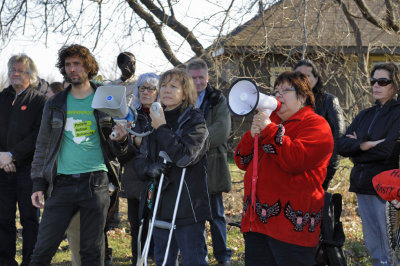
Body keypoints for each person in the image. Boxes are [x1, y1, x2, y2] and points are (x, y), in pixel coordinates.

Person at [29, 44, 128, 265]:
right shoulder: (54, 103)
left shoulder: (106, 97)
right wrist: (38, 183)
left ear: (88, 66)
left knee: (92, 253)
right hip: (61, 183)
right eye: (68, 65)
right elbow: (43, 145)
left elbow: (119, 149)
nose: (72, 69)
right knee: (42, 250)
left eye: (77, 64)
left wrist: (122, 139)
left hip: (96, 182)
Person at [234, 71, 334, 265]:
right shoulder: (272, 122)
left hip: (291, 230)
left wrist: (269, 129)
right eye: (275, 91)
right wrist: (251, 135)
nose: (277, 96)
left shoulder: (316, 124)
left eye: (284, 90)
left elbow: (295, 160)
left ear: (303, 96)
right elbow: (242, 161)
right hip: (258, 224)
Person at [133, 68, 211, 266]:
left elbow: (185, 156)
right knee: (162, 259)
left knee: (193, 259)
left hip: (187, 205)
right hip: (160, 203)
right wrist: (147, 169)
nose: (166, 90)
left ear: (185, 92)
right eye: (164, 86)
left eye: (173, 86)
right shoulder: (156, 116)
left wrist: (162, 128)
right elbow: (142, 156)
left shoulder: (195, 120)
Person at [337, 62, 400, 266]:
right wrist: (365, 145)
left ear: (395, 84)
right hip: (363, 186)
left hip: (387, 189)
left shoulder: (398, 113)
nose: (376, 85)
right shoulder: (365, 114)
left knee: (390, 247)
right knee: (374, 245)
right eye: (373, 81)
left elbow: (388, 150)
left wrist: (357, 147)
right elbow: (341, 145)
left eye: (383, 81)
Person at [0, 54, 46, 266]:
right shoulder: (1, 97)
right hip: (1, 169)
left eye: (20, 71)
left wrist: (13, 155)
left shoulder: (39, 101)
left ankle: (31, 261)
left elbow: (38, 136)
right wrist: (2, 157)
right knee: (3, 219)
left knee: (29, 220)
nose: (15, 74)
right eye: (12, 70)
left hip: (28, 171)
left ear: (31, 75)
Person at [187, 58, 232, 266]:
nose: (197, 82)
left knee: (216, 215)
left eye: (201, 78)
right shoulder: (181, 99)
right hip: (187, 168)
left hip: (212, 165)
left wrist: (195, 144)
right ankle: (199, 253)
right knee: (193, 216)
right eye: (193, 78)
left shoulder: (217, 99)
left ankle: (222, 256)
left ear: (207, 77)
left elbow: (221, 130)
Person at [117, 72, 160, 264]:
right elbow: (122, 153)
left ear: (158, 92)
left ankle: (158, 258)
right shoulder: (130, 115)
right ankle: (138, 260)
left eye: (151, 88)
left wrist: (144, 141)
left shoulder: (164, 114)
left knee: (157, 224)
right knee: (136, 225)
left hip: (159, 178)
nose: (146, 92)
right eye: (142, 88)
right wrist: (129, 140)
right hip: (135, 178)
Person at [294, 59, 345, 190]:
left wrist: (328, 170)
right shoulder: (288, 102)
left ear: (316, 78)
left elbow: (338, 136)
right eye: (298, 76)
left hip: (319, 171)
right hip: (292, 168)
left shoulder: (329, 101)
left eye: (307, 76)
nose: (303, 79)